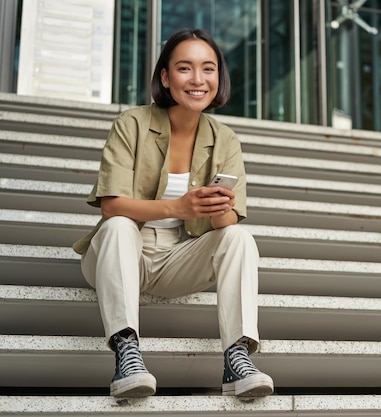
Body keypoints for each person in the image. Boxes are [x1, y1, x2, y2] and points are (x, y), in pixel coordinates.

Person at [72, 28, 273, 398]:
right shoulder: (131, 124)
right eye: (185, 68)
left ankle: (237, 358)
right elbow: (111, 205)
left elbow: (228, 224)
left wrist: (217, 208)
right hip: (119, 251)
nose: (198, 80)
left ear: (219, 77)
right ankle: (127, 352)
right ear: (165, 77)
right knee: (118, 226)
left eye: (208, 69)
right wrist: (178, 207)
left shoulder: (225, 139)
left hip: (178, 257)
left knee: (240, 238)